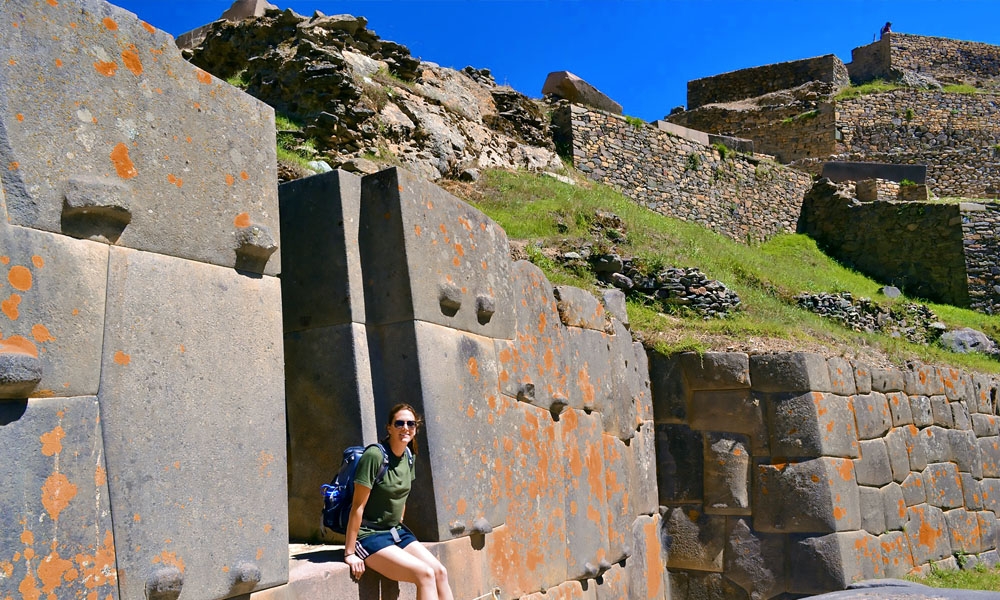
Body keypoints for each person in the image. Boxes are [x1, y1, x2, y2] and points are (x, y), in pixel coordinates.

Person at [343, 404, 453, 600]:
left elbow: (402, 495)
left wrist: (398, 520)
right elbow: (357, 507)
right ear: (389, 427)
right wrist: (349, 553)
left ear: (415, 428)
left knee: (439, 572)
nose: (405, 428)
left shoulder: (409, 456)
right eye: (399, 423)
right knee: (425, 574)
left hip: (394, 531)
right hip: (368, 534)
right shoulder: (375, 456)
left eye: (411, 424)